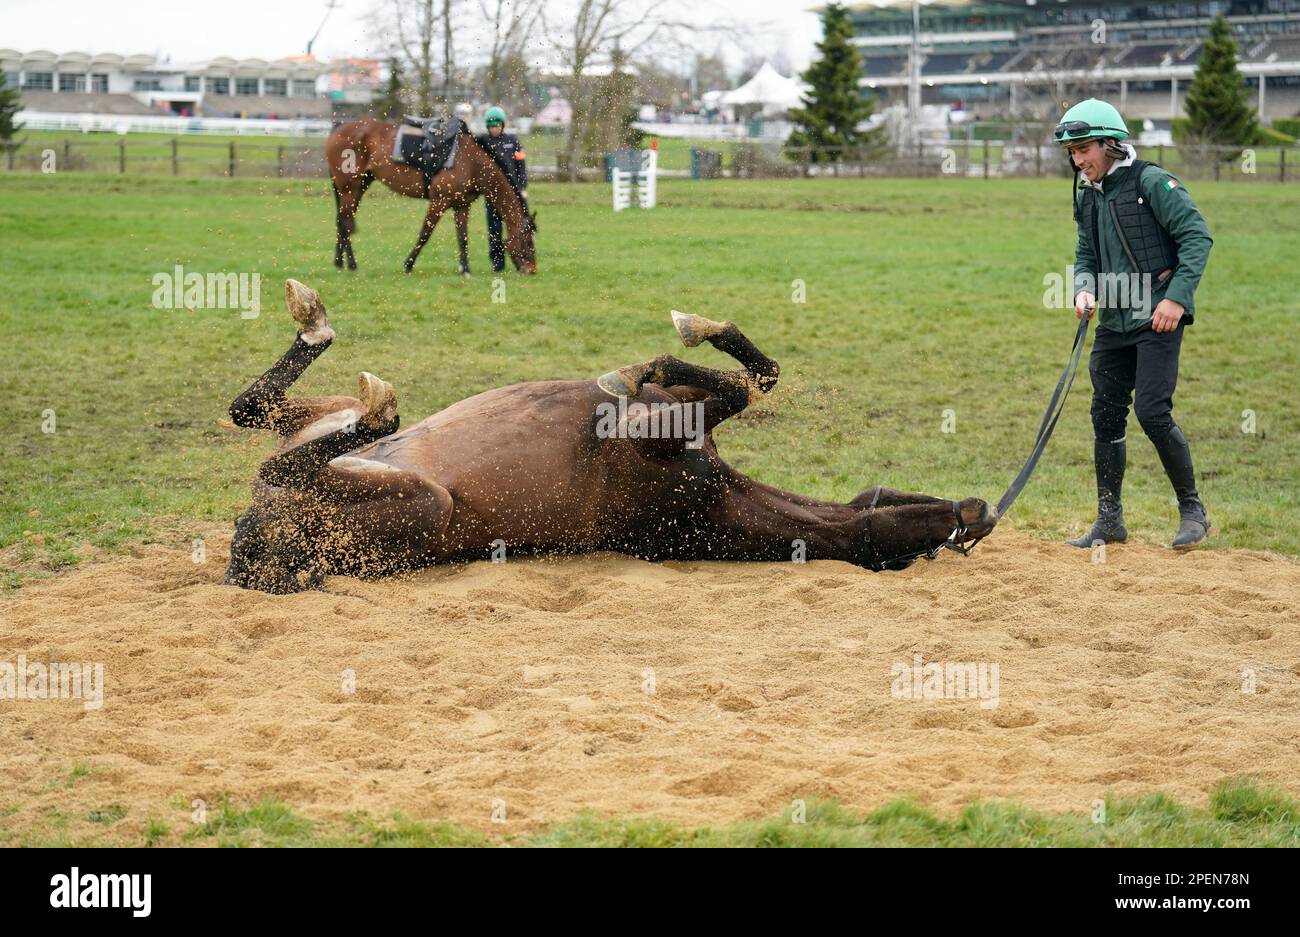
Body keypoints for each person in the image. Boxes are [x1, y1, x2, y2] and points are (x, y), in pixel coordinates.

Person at [1055, 98, 1214, 551]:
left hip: (1159, 318)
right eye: (1072, 152)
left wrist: (1177, 300)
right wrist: (1083, 288)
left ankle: (1193, 511)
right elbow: (1086, 254)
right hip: (1114, 320)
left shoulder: (1152, 182)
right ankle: (1109, 521)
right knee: (1104, 415)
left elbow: (1197, 236)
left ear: (1110, 144)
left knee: (1152, 412)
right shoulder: (1088, 196)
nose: (1078, 160)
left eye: (1084, 148)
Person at [478, 106, 528, 274]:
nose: (494, 128)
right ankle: (498, 265)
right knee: (494, 231)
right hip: (492, 196)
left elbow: (521, 166)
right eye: (491, 125)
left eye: (497, 125)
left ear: (502, 125)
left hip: (512, 195)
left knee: (516, 228)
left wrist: (523, 188)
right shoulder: (482, 143)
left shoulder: (512, 141)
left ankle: (520, 260)